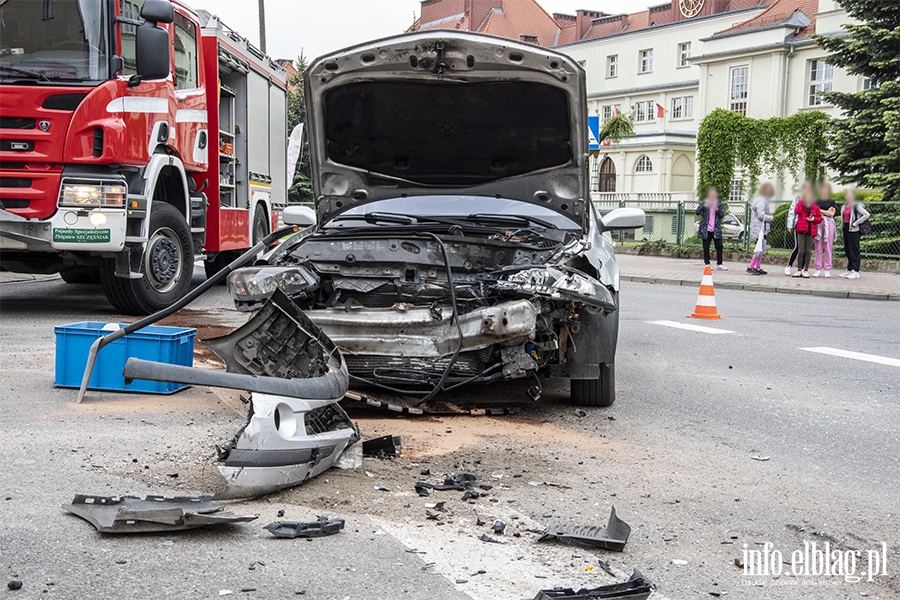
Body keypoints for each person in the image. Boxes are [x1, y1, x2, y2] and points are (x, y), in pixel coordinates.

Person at [792, 186, 823, 278]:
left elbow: (819, 219)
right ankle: (799, 269)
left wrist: (813, 219)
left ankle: (806, 270)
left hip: (811, 231)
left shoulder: (815, 207)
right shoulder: (801, 204)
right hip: (801, 230)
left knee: (808, 251)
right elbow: (796, 210)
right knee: (801, 250)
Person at [785, 183, 814, 276]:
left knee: (807, 249)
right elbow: (793, 211)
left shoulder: (812, 199)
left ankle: (803, 269)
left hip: (809, 227)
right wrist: (790, 225)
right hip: (799, 226)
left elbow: (816, 212)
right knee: (798, 247)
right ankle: (789, 266)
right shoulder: (799, 198)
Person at [839, 189, 870, 279]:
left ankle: (855, 270)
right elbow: (843, 218)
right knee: (848, 249)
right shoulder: (844, 206)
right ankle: (849, 269)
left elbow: (866, 214)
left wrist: (857, 222)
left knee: (854, 249)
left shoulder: (857, 205)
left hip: (854, 230)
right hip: (846, 228)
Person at [695, 187, 727, 270]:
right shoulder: (705, 202)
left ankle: (719, 263)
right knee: (706, 247)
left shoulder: (719, 203)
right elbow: (697, 212)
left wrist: (717, 210)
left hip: (716, 229)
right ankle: (707, 263)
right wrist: (703, 206)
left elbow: (721, 215)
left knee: (719, 246)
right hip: (706, 229)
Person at [747, 182, 775, 275]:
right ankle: (751, 266)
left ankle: (757, 267)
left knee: (761, 248)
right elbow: (761, 215)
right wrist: (771, 218)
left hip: (760, 228)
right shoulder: (762, 201)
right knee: (759, 248)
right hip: (760, 228)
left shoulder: (760, 200)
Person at [813, 182, 837, 277]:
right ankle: (817, 268)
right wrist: (825, 211)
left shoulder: (832, 201)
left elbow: (831, 214)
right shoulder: (816, 201)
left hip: (829, 224)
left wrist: (821, 211)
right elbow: (814, 212)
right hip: (818, 223)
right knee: (818, 247)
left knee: (828, 247)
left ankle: (827, 269)